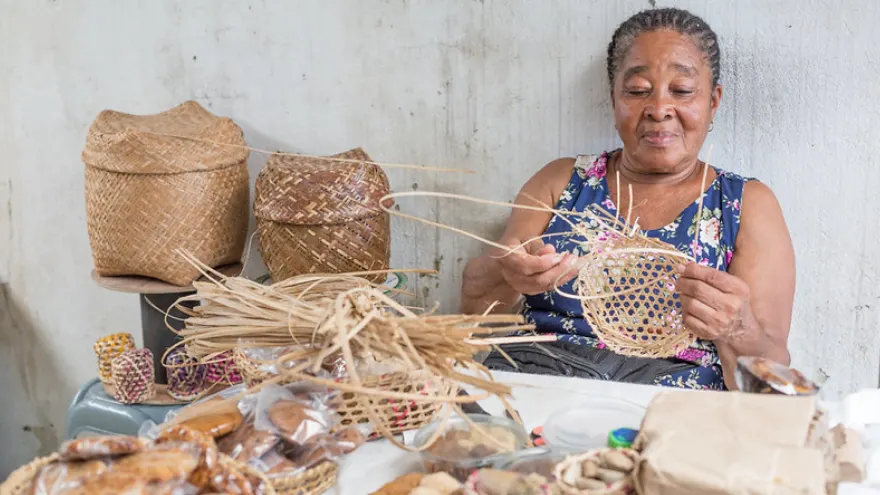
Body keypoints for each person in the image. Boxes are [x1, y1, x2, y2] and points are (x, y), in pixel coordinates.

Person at [460, 7, 794, 390]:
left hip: (669, 409)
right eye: (637, 92)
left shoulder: (746, 203)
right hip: (540, 385)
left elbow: (773, 377)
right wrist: (509, 273)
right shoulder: (561, 181)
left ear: (713, 101)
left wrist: (736, 327)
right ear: (614, 97)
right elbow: (476, 315)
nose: (658, 109)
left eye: (682, 91)